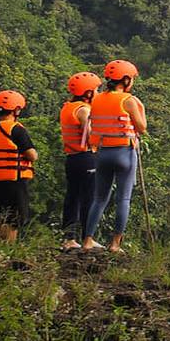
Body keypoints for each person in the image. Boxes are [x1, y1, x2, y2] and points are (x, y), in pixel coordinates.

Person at [87, 60, 148, 253]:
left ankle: (88, 240)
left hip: (103, 153)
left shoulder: (95, 99)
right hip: (124, 153)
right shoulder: (128, 100)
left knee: (99, 198)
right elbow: (142, 127)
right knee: (123, 199)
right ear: (126, 79)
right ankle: (115, 244)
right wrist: (141, 109)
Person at [0, 90, 36, 242]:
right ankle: (9, 250)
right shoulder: (16, 129)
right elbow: (32, 155)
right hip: (13, 179)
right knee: (13, 218)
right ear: (16, 109)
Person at [59, 71, 101, 250]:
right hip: (86, 157)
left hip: (72, 158)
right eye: (96, 90)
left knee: (72, 197)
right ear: (88, 93)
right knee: (88, 198)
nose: (98, 93)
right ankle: (87, 238)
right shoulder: (84, 109)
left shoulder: (68, 107)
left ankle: (69, 238)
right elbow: (91, 132)